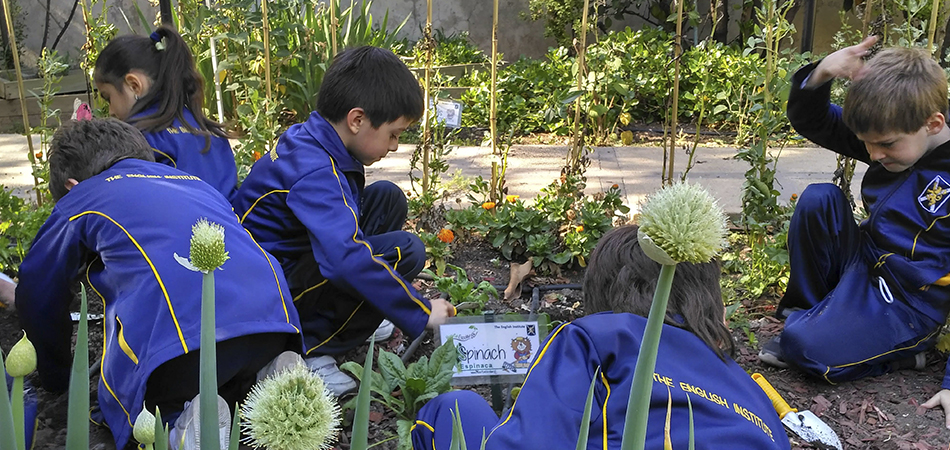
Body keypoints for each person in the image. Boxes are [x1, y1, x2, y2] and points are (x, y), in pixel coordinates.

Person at [15, 119, 303, 449]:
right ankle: (264, 381)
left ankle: (180, 423)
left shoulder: (83, 197)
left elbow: (38, 291)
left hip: (182, 351)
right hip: (275, 325)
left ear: (71, 185)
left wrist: (56, 376)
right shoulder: (193, 182)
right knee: (228, 364)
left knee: (134, 406)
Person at [412, 225, 791, 450]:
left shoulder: (601, 336)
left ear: (599, 299)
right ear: (715, 305)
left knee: (453, 409)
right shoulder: (757, 401)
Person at [232, 46, 456, 396]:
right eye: (394, 134)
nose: (396, 146)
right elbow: (344, 260)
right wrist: (421, 310)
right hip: (266, 297)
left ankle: (356, 315)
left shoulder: (315, 139)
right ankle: (313, 350)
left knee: (386, 197)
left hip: (281, 265)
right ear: (357, 120)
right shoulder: (317, 170)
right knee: (404, 251)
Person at [757, 36, 950, 427]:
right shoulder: (894, 135)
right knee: (819, 199)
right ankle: (806, 310)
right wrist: (821, 74)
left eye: (884, 145)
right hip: (864, 261)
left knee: (807, 350)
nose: (874, 155)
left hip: (908, 300)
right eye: (866, 144)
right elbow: (815, 122)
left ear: (933, 124)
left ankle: (905, 352)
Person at [94, 26, 238, 200]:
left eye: (108, 97)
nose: (111, 111)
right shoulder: (211, 132)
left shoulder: (138, 139)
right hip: (232, 225)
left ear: (134, 85)